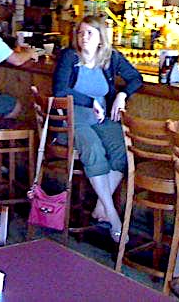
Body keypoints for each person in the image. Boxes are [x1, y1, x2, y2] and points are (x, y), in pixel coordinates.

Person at [52, 15, 143, 242]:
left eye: (90, 33)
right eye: (81, 33)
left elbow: (136, 78)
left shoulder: (111, 58)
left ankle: (100, 208)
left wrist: (123, 94)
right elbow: (60, 91)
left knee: (122, 151)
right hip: (76, 116)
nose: (84, 38)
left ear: (101, 38)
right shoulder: (69, 57)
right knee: (93, 150)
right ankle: (112, 215)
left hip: (103, 116)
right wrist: (89, 101)